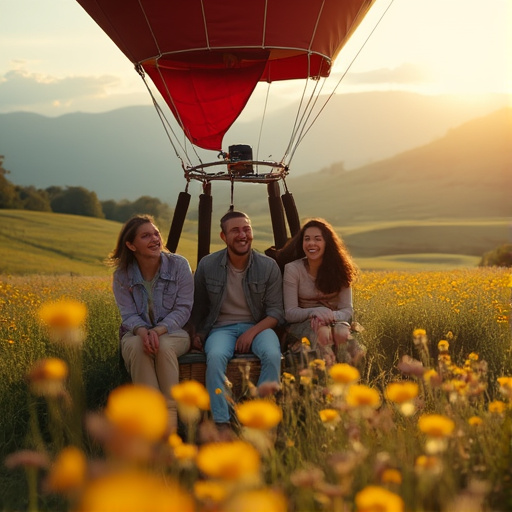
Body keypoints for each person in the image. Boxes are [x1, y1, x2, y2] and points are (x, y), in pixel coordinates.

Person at [191, 210, 284, 429]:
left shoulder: (268, 266)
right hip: (221, 328)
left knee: (272, 355)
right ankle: (222, 421)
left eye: (246, 229)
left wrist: (251, 333)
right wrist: (198, 333)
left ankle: (259, 417)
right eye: (235, 230)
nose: (242, 235)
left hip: (258, 327)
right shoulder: (208, 265)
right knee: (214, 357)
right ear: (223, 237)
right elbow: (199, 307)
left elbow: (276, 313)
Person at [108, 214, 193, 434]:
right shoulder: (122, 275)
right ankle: (152, 423)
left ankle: (170, 426)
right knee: (138, 347)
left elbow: (183, 309)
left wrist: (157, 331)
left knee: (163, 346)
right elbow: (127, 314)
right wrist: (143, 331)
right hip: (136, 334)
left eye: (156, 233)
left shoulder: (179, 265)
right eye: (146, 236)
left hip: (174, 333)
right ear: (131, 245)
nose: (155, 239)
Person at [280, 218, 362, 367]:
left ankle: (353, 380)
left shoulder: (341, 268)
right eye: (307, 239)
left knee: (343, 336)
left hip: (335, 320)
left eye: (317, 239)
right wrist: (315, 312)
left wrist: (329, 316)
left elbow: (347, 309)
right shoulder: (293, 269)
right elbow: (290, 313)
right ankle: (326, 382)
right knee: (323, 336)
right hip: (302, 323)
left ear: (327, 243)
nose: (312, 243)